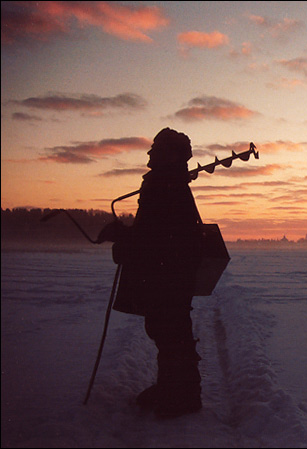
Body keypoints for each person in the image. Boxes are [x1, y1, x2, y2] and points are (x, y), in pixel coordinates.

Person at [98, 127, 203, 419]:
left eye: (155, 147)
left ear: (169, 154)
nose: (149, 152)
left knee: (171, 332)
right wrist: (125, 237)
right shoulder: (167, 183)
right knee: (167, 330)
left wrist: (123, 240)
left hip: (168, 274)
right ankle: (172, 387)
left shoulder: (165, 185)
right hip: (169, 273)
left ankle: (183, 397)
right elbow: (154, 233)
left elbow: (157, 238)